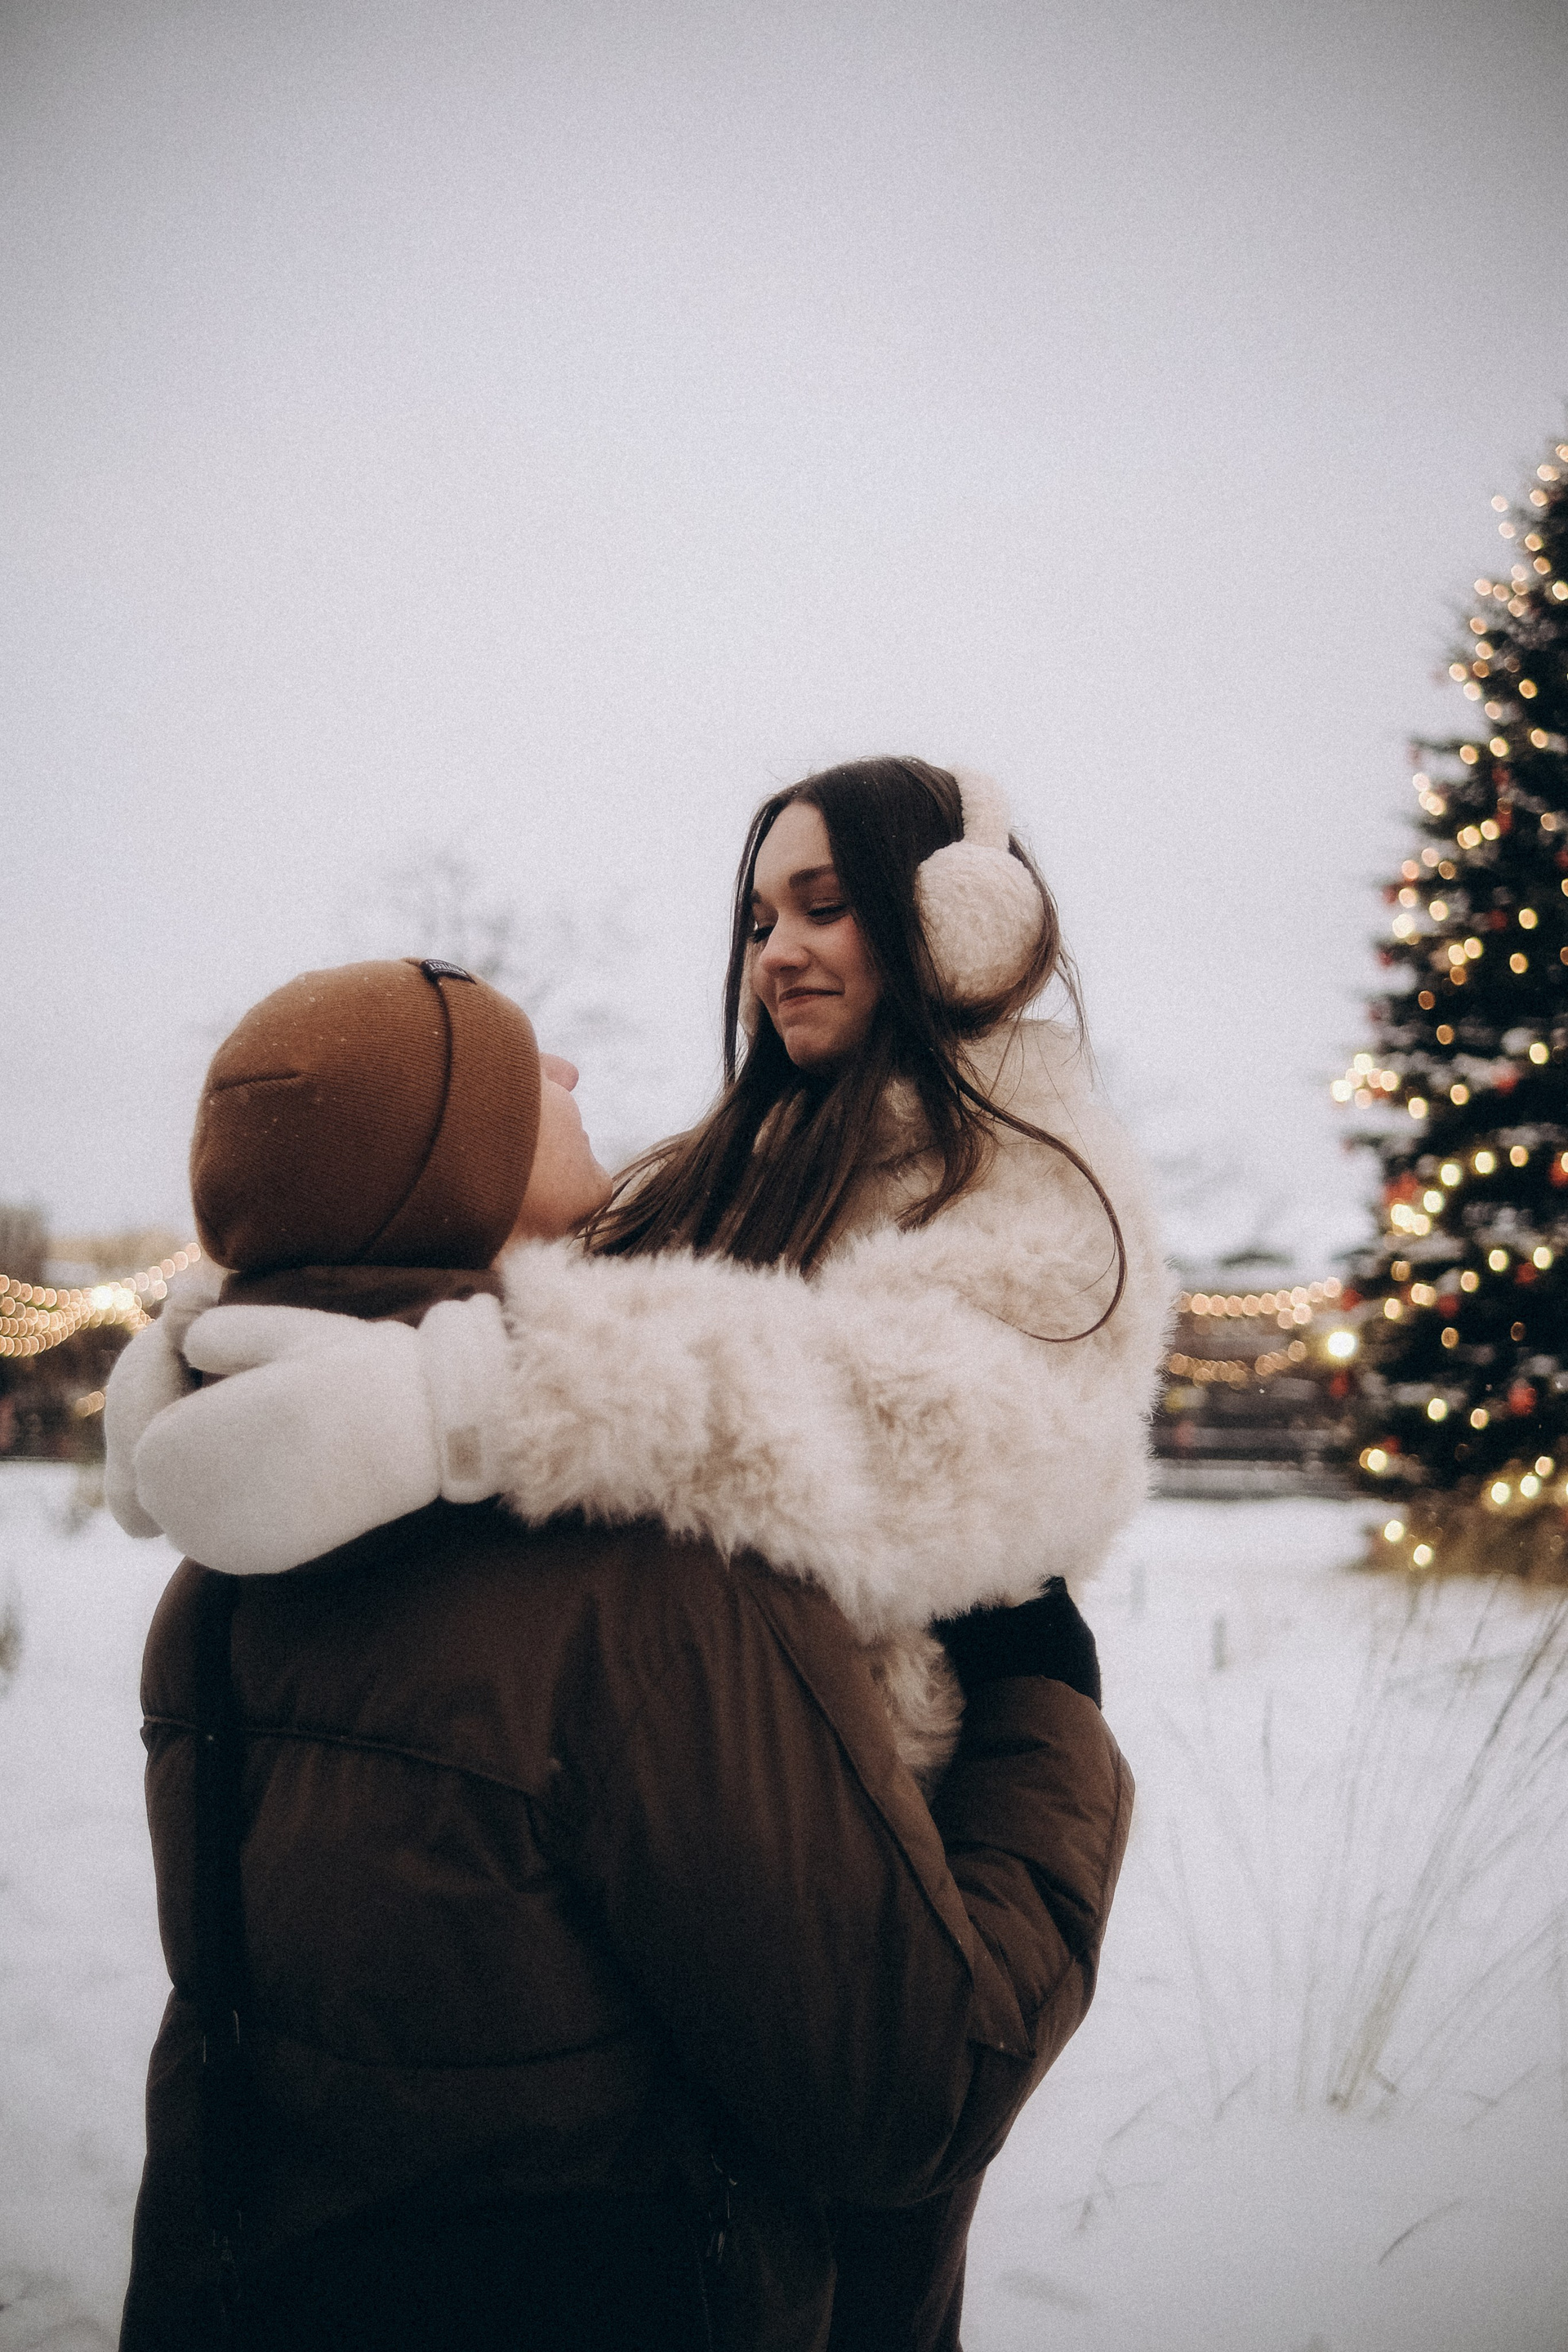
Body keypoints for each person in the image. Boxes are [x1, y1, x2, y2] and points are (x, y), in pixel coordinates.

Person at [117, 954, 1133, 2352]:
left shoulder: (225, 1565)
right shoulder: (644, 1587)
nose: (572, 1072)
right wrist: (1042, 1702)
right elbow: (906, 2096)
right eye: (519, 1067)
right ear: (446, 1164)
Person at [113, 760, 1169, 1789]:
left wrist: (474, 1396)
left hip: (859, 1792)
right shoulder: (724, 1169)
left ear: (959, 925)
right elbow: (494, 1261)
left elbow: (908, 1426)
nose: (777, 955)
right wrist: (234, 1330)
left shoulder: (1047, 1184)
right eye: (759, 924)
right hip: (661, 1752)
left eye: (825, 908)